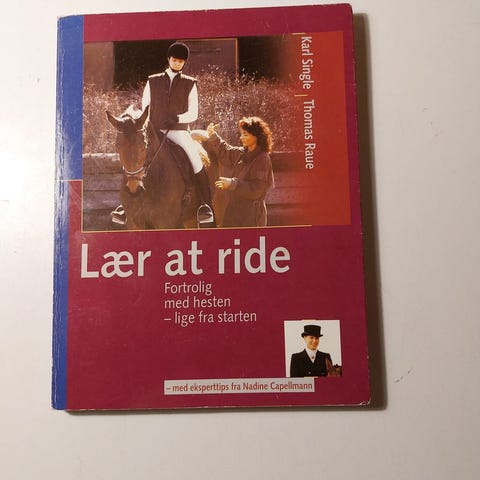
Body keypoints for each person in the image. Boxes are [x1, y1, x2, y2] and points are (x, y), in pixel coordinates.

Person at [142, 41, 214, 225]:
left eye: (181, 61)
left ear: (184, 63)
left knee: (196, 160)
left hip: (178, 131)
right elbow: (145, 107)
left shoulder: (190, 83)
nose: (177, 63)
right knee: (136, 157)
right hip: (155, 131)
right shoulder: (152, 80)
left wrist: (176, 118)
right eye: (174, 60)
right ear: (168, 59)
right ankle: (125, 206)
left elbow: (193, 113)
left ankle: (205, 205)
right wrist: (151, 125)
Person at [199, 116, 274, 227]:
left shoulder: (262, 159)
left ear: (257, 136)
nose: (241, 137)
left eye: (245, 135)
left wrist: (232, 184)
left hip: (251, 218)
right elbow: (225, 151)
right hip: (234, 214)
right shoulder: (242, 153)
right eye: (242, 134)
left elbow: (257, 189)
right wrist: (213, 135)